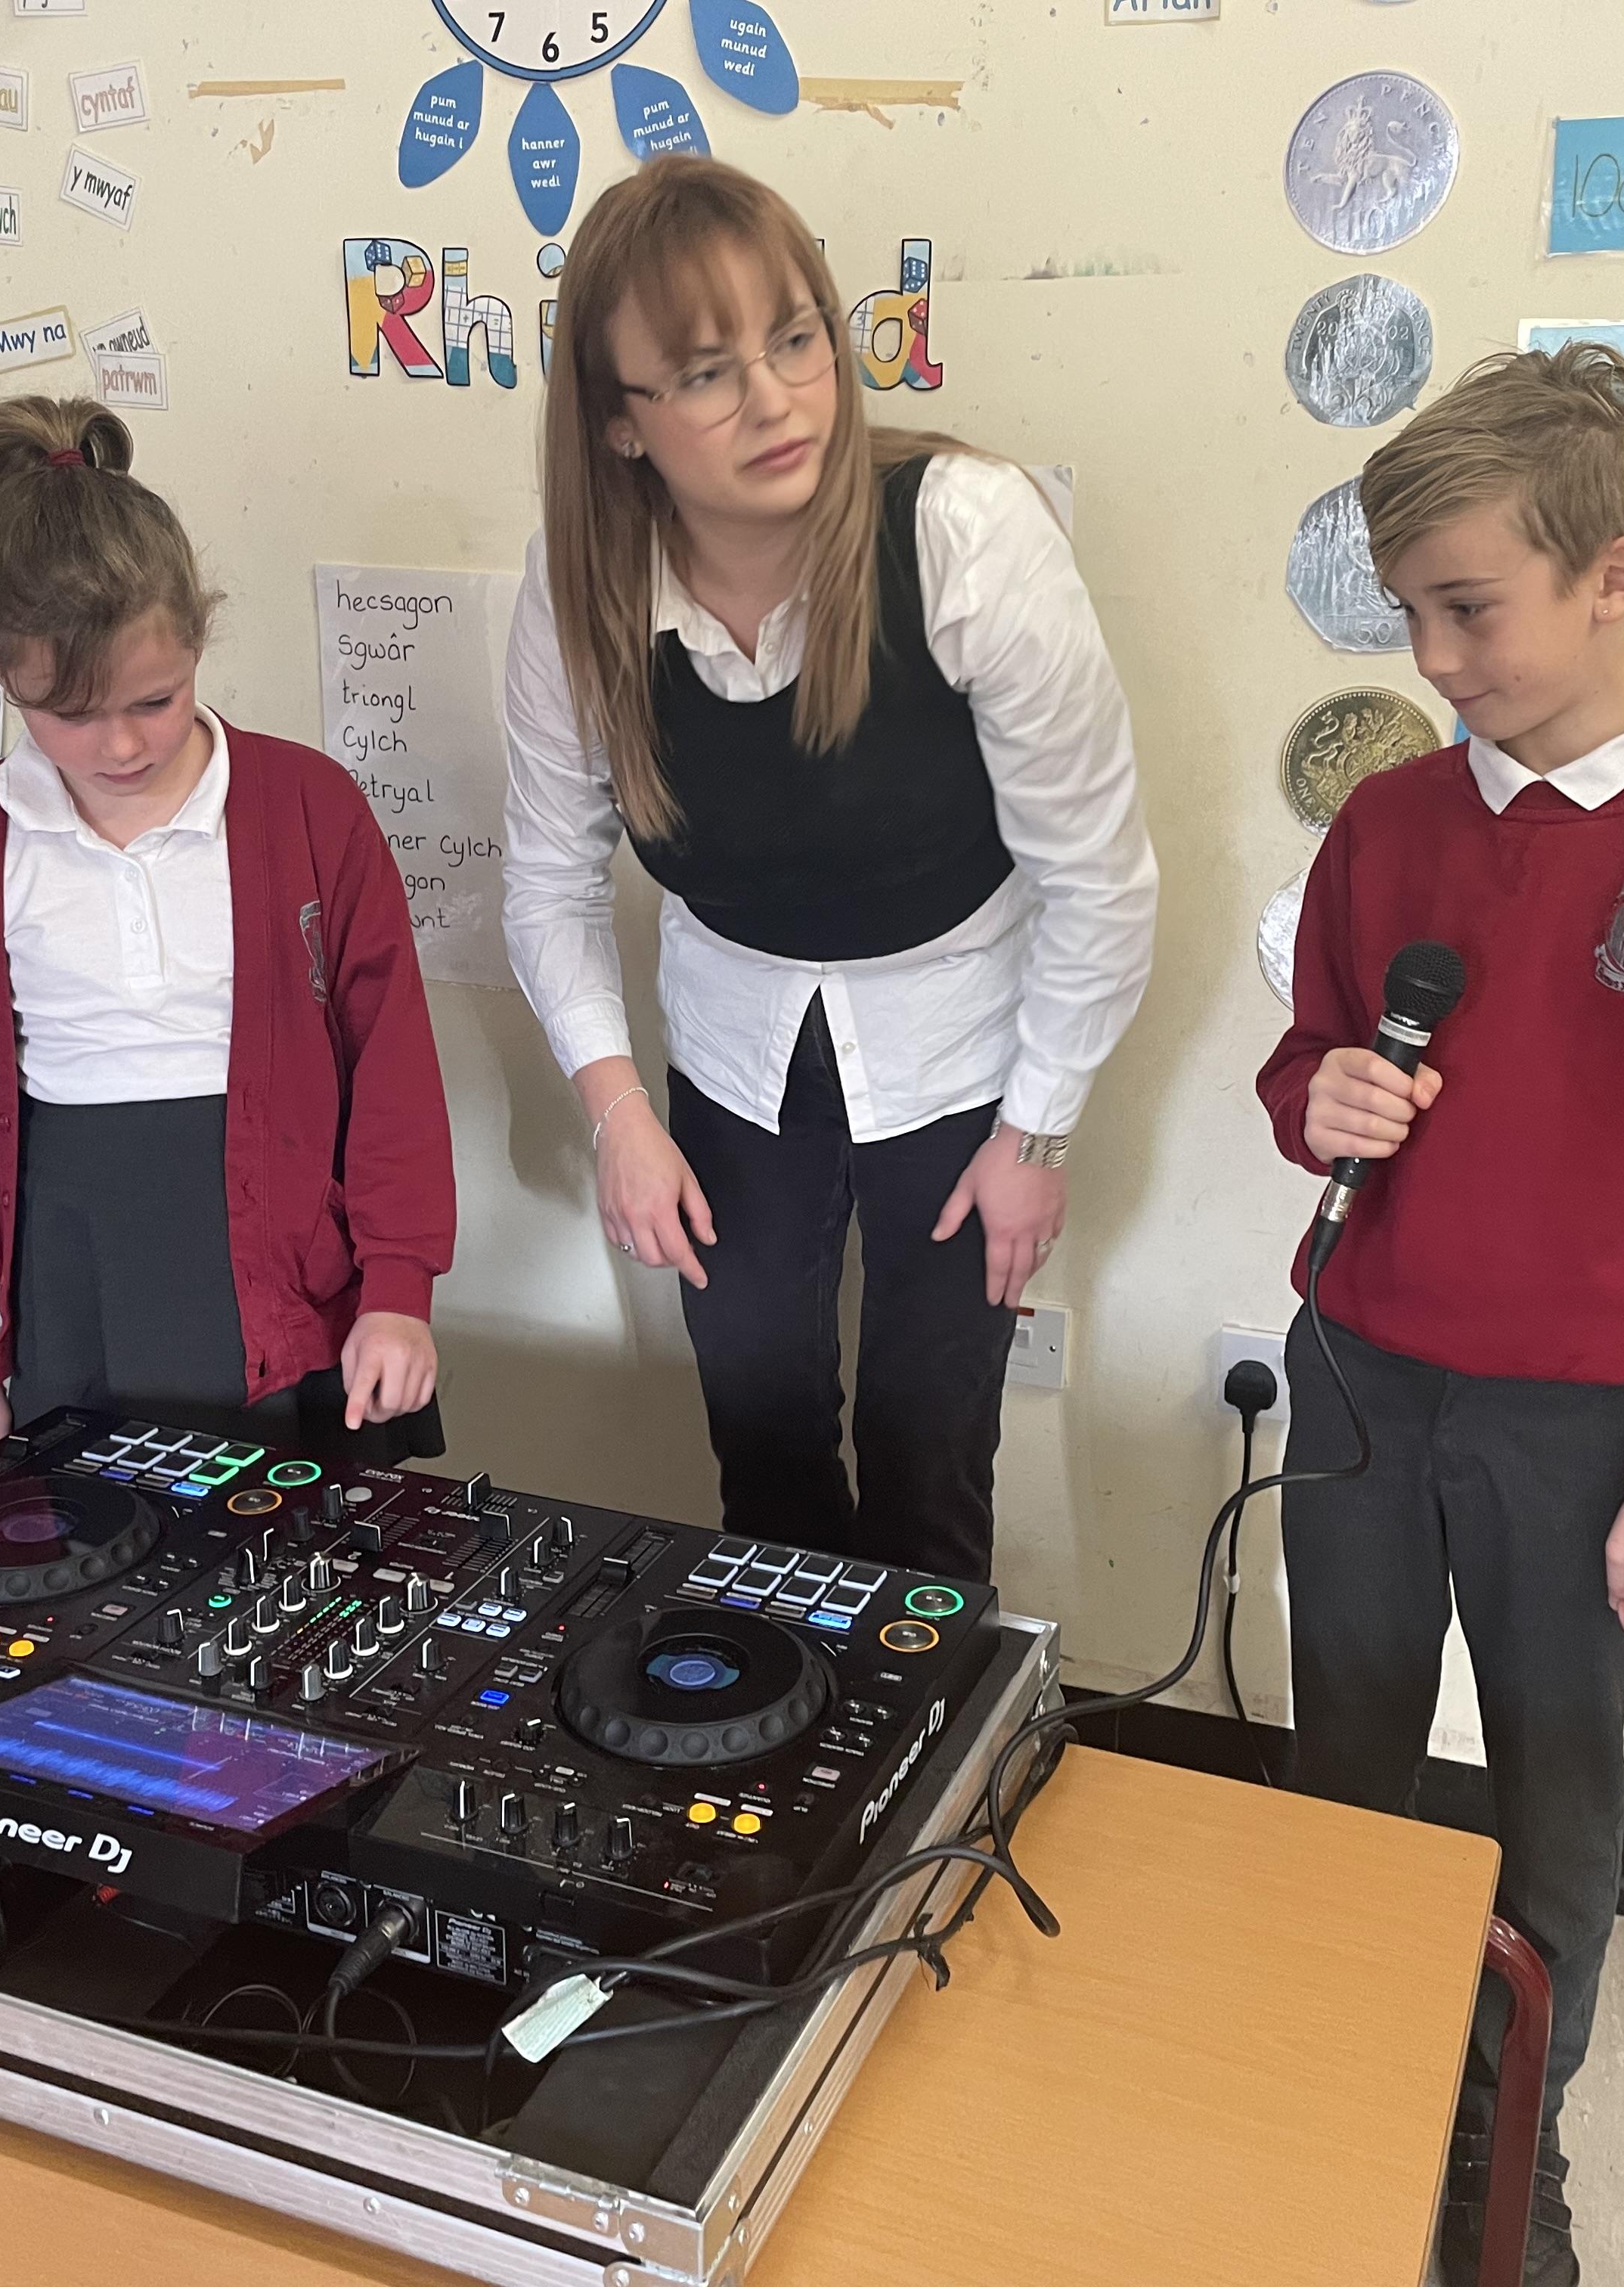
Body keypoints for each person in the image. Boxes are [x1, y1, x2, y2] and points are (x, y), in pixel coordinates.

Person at [1254, 347, 1624, 2287]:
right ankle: (1335, 2084)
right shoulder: (1388, 826)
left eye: (1469, 610)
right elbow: (1308, 1057)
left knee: (1556, 1802)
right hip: (1363, 1376)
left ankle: (1507, 2143)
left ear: (1616, 578)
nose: (1436, 660)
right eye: (1409, 615)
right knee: (1344, 1749)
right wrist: (1320, 1099)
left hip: (1584, 1429)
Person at [501, 157, 1157, 1584]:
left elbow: (1100, 879)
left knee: (932, 1464)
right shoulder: (576, 594)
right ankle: (788, 1723)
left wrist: (1039, 1137)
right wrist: (618, 1116)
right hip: (735, 1050)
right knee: (764, 1446)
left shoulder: (968, 533)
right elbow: (549, 880)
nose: (777, 400)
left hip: (964, 1048)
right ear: (619, 422)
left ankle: (929, 1732)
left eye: (796, 338)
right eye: (704, 373)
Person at [0, 397, 454, 1500]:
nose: (124, 743)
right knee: (97, 1556)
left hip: (290, 1282)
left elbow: (391, 1064)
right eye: (70, 712)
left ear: (198, 632)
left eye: (156, 698)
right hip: (77, 1279)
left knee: (303, 1565)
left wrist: (398, 1288)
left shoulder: (310, 808)